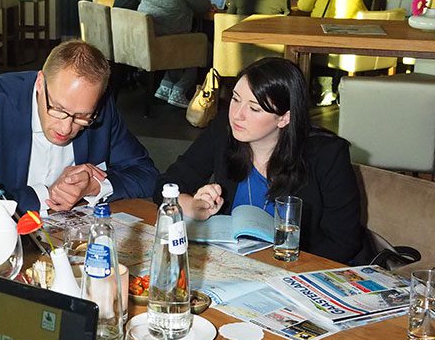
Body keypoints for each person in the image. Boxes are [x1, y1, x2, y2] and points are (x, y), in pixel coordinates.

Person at [0, 41, 159, 240]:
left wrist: (95, 187)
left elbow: (147, 176)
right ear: (40, 83)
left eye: (82, 117)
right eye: (58, 109)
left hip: (51, 248)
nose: (66, 127)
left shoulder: (100, 110)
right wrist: (47, 195)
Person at [153, 57, 370, 264]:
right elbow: (165, 185)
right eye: (235, 99)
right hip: (238, 266)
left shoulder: (327, 154)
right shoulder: (223, 130)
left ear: (285, 117)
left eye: (254, 108)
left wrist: (275, 263)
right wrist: (192, 206)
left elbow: (343, 242)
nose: (237, 115)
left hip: (303, 269)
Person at [138, 0, 212, 108]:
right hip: (166, 38)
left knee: (185, 42)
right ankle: (181, 89)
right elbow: (204, 6)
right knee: (202, 45)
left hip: (146, 37)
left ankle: (166, 84)